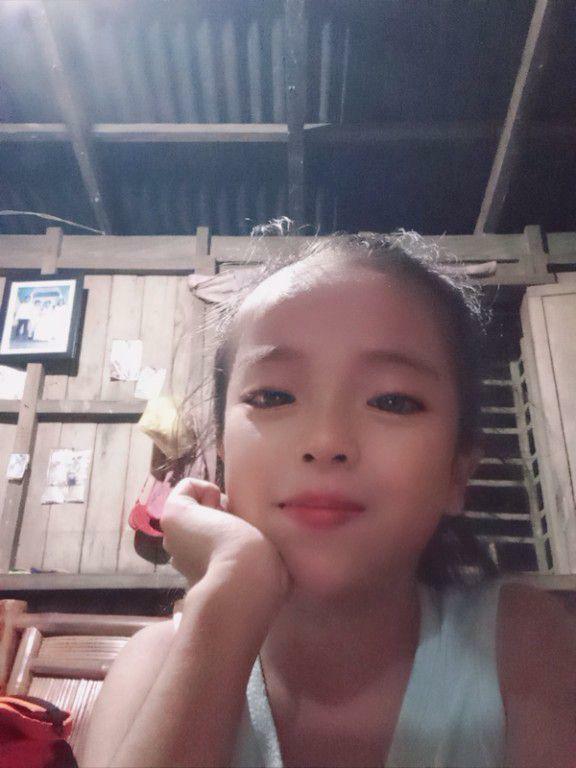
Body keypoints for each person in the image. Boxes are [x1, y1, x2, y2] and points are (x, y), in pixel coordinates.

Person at [80, 229, 576, 768]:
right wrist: (228, 594)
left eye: (392, 401)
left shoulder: (524, 647)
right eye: (273, 395)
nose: (325, 441)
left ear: (458, 471)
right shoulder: (150, 669)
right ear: (222, 452)